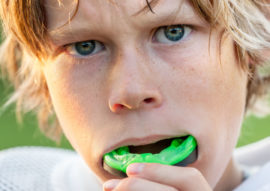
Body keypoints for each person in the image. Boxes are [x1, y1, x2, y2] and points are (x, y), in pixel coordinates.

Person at [0, 0, 270, 190]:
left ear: (255, 36)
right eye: (85, 46)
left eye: (172, 32)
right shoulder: (14, 180)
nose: (131, 92)